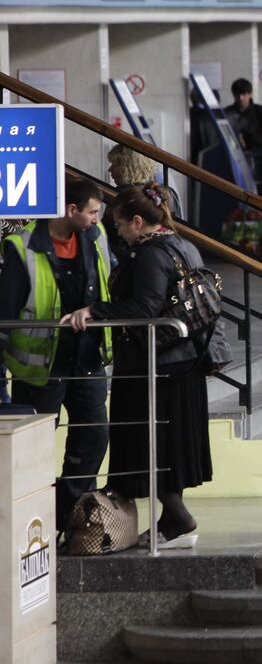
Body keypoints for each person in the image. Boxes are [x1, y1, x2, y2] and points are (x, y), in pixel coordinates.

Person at [63, 184, 210, 548]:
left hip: (155, 366)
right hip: (183, 362)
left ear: (138, 221)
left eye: (120, 224)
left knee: (148, 443)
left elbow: (145, 308)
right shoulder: (184, 244)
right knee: (166, 446)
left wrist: (95, 311)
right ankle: (172, 520)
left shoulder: (149, 255)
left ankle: (176, 518)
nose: (118, 232)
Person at [0, 179, 113, 530]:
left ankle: (70, 512)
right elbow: (7, 310)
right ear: (71, 210)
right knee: (34, 446)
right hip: (39, 367)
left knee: (94, 434)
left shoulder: (96, 238)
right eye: (92, 212)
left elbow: (108, 282)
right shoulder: (23, 246)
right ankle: (34, 515)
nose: (97, 219)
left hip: (87, 358)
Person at [223, 78, 262, 196]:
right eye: (238, 95)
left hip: (256, 157)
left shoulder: (259, 111)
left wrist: (254, 139)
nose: (241, 98)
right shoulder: (229, 112)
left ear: (249, 94)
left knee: (257, 191)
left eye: (244, 94)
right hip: (235, 158)